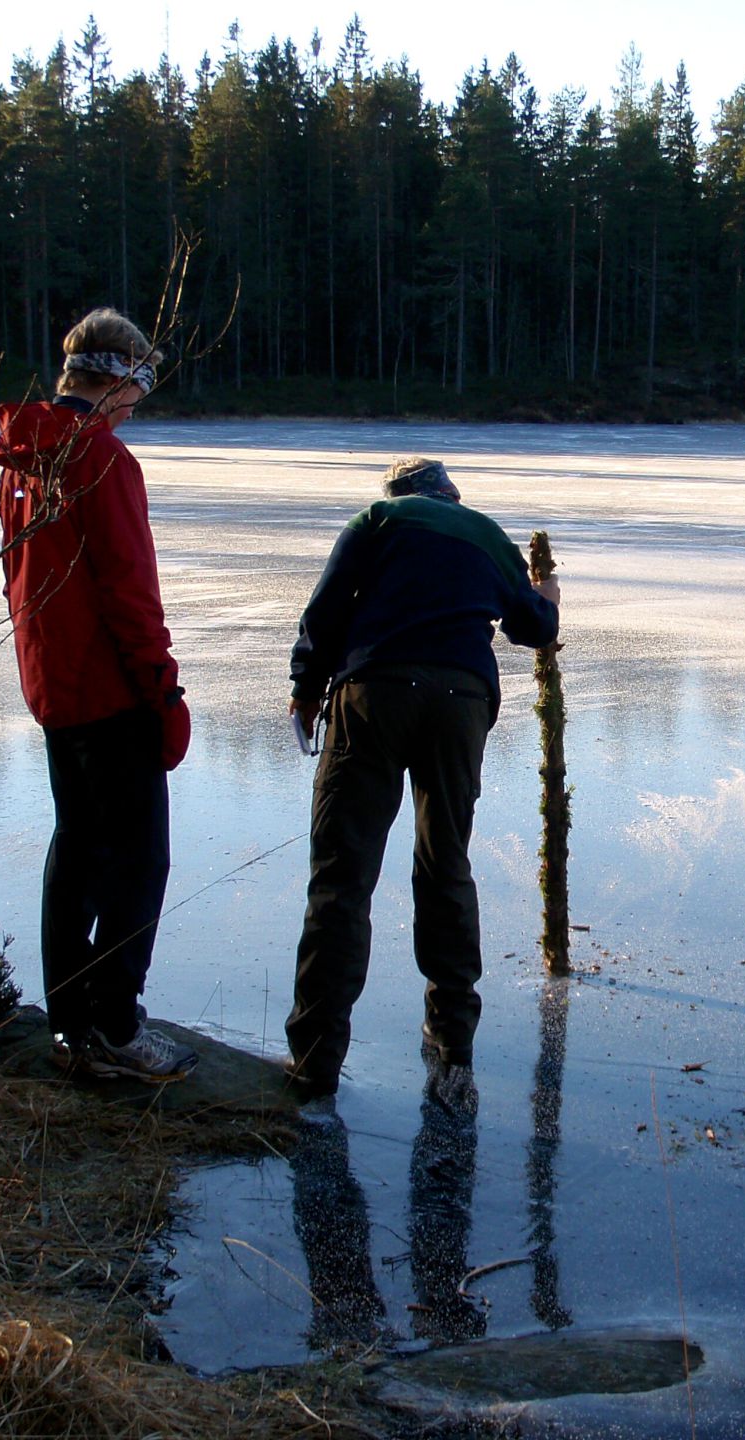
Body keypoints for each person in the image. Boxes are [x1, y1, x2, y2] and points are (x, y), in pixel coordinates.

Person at [284, 456, 559, 1111]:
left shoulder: (376, 520)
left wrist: (305, 690)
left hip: (373, 694)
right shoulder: (485, 533)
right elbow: (536, 628)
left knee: (342, 879)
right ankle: (452, 1047)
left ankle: (316, 1065)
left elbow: (324, 612)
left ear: (400, 493)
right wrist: (549, 590)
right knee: (445, 868)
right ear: (449, 494)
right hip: (458, 702)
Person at [0, 307, 198, 1083]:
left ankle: (72, 1019)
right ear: (120, 380)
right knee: (140, 861)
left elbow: (20, 580)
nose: (139, 406)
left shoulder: (27, 455)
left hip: (53, 685)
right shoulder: (101, 459)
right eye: (140, 387)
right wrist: (163, 692)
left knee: (76, 846)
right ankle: (114, 1023)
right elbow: (128, 590)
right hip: (109, 691)